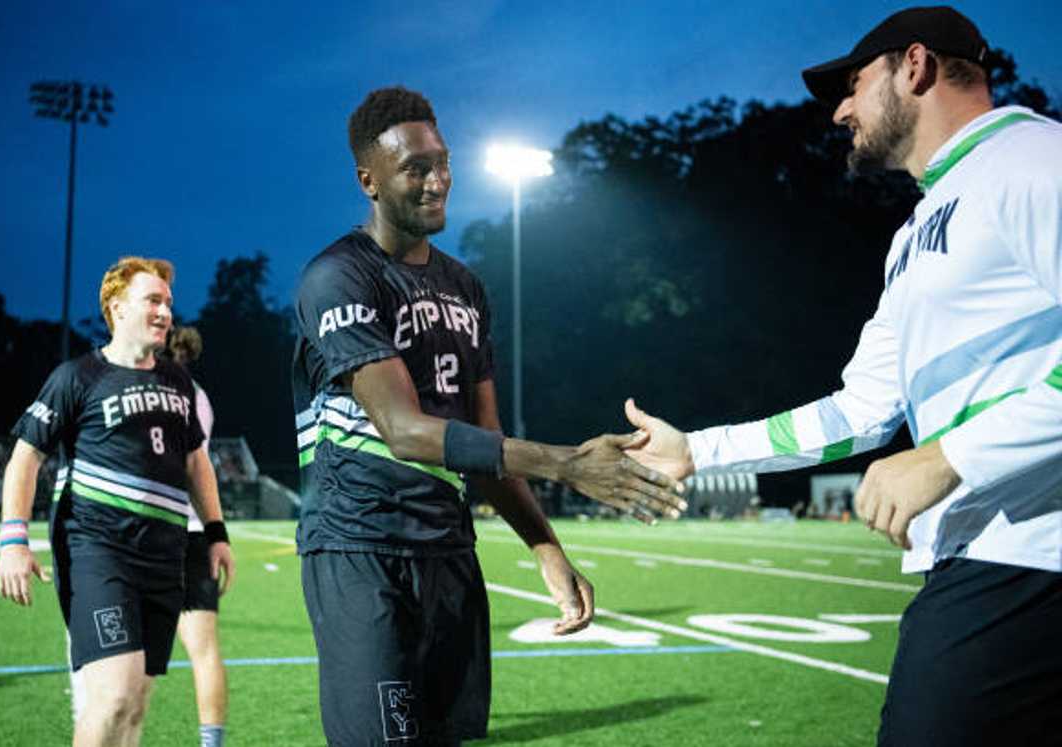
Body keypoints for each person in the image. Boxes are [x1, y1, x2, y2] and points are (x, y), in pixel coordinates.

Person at [622, 7, 1062, 745]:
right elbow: (858, 413)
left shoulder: (1034, 161)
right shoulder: (915, 234)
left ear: (915, 66)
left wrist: (952, 455)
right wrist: (698, 452)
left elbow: (933, 447)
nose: (841, 110)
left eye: (855, 84)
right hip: (989, 559)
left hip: (1025, 560)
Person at [292, 86, 685, 745]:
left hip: (448, 551)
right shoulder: (338, 278)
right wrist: (567, 462)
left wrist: (546, 548)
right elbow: (405, 430)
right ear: (369, 179)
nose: (438, 178)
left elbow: (487, 442)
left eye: (443, 161)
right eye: (415, 167)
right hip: (361, 547)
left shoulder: (466, 287)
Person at [0, 257, 235, 747]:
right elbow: (25, 458)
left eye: (168, 302)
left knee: (134, 704)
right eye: (153, 300)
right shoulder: (77, 377)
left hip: (163, 558)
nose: (166, 311)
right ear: (116, 307)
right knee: (112, 696)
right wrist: (13, 540)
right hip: (98, 552)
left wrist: (216, 534)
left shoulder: (179, 383)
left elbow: (197, 464)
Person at [167, 326, 229, 747]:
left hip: (152, 530)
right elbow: (201, 466)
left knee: (125, 659)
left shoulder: (149, 386)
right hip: (192, 530)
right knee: (204, 651)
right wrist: (215, 532)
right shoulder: (199, 395)